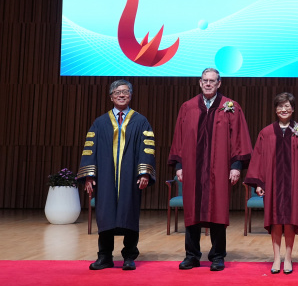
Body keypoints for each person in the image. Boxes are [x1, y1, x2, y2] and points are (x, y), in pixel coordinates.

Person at [168, 68, 252, 271]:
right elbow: (179, 137)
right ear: (199, 82)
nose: (208, 84)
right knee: (192, 211)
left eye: (212, 81)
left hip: (219, 169)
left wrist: (236, 166)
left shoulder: (230, 107)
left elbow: (238, 138)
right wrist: (179, 166)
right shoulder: (188, 107)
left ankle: (217, 256)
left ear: (219, 83)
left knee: (217, 209)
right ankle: (192, 255)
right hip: (192, 169)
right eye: (205, 80)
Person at [77, 79, 155, 271]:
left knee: (130, 213)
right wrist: (89, 176)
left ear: (130, 95)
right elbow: (90, 149)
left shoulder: (140, 121)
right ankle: (104, 256)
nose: (121, 95)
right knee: (105, 214)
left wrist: (144, 172)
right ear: (110, 96)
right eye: (117, 92)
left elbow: (147, 148)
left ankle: (129, 256)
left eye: (125, 92)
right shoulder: (100, 122)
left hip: (131, 177)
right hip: (105, 177)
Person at [244, 92, 298, 275]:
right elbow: (259, 159)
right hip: (272, 184)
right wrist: (259, 183)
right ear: (275, 109)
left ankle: (288, 258)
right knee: (275, 221)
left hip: (293, 185)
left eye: (287, 106)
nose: (284, 109)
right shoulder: (266, 133)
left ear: (293, 109)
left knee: (290, 222)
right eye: (280, 106)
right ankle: (277, 258)